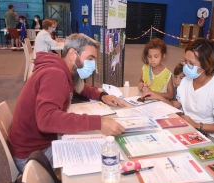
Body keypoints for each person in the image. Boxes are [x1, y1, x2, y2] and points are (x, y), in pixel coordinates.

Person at [8, 33, 126, 172]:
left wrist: (101, 95)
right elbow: (47, 119)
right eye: (90, 58)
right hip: (32, 155)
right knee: (103, 158)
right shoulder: (55, 75)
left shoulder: (61, 70)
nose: (92, 65)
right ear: (72, 54)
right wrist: (98, 123)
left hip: (35, 145)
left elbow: (79, 88)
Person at [143, 38, 214, 153]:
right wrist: (159, 97)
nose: (186, 67)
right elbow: (177, 105)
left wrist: (197, 125)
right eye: (185, 61)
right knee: (158, 141)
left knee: (179, 154)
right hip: (191, 129)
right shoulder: (186, 81)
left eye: (191, 64)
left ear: (206, 65)